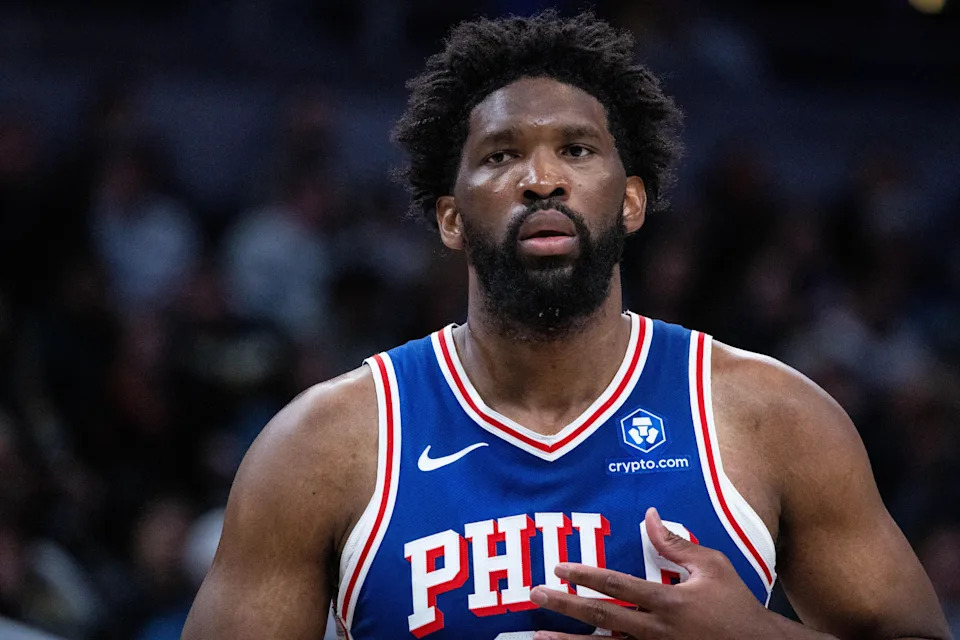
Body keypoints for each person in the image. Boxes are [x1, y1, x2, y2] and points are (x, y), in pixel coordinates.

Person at [181, 11, 951, 640]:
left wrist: (756, 637)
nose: (541, 178)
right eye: (500, 154)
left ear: (630, 202)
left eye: (576, 150)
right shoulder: (323, 444)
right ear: (450, 217)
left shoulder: (770, 416)